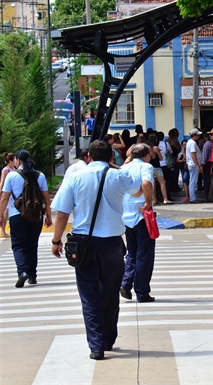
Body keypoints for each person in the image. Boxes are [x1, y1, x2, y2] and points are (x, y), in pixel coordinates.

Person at [50, 140, 143, 360]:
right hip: (112, 244)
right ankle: (109, 338)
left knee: (89, 295)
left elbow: (62, 213)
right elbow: (139, 191)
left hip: (84, 246)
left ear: (89, 157)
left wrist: (56, 241)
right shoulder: (118, 176)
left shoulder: (74, 177)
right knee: (110, 293)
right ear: (111, 157)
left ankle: (96, 345)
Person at [0, 150, 52, 287]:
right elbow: (46, 197)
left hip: (17, 215)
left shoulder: (12, 176)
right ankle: (33, 276)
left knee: (18, 245)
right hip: (36, 215)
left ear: (18, 160)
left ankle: (22, 272)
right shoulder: (40, 175)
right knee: (32, 245)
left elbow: (4, 198)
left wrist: (0, 216)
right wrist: (48, 215)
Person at [119, 143, 156, 303]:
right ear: (146, 155)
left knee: (132, 253)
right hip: (141, 216)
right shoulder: (145, 167)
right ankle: (142, 291)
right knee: (144, 255)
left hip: (126, 216)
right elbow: (146, 183)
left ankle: (126, 283)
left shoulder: (123, 168)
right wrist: (148, 202)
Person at [148, 134, 173, 204]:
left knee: (153, 185)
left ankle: (154, 199)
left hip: (150, 168)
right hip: (157, 167)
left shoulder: (147, 148)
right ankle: (165, 198)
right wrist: (158, 152)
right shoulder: (155, 148)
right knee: (162, 183)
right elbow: (161, 158)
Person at [1, 153, 17, 237]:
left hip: (12, 194)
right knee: (5, 212)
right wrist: (1, 192)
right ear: (10, 161)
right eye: (14, 159)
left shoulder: (14, 169)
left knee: (8, 212)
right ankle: (3, 230)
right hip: (6, 194)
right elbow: (2, 181)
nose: (15, 161)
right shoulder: (6, 170)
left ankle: (7, 229)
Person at [186, 128, 203, 203]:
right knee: (193, 181)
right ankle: (193, 198)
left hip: (192, 164)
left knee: (192, 181)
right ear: (194, 135)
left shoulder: (190, 142)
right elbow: (193, 155)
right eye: (198, 135)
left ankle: (192, 197)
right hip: (193, 165)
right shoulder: (192, 143)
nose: (199, 136)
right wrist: (197, 166)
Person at [167, 128, 182, 193]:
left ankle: (174, 186)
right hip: (174, 158)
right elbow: (179, 148)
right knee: (175, 173)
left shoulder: (168, 141)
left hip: (173, 157)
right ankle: (174, 186)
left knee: (174, 173)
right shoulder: (173, 141)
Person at [201, 132, 213, 202]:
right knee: (211, 180)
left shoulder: (206, 145)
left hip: (207, 164)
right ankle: (211, 195)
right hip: (212, 163)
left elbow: (204, 156)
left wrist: (202, 165)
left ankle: (207, 196)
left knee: (206, 181)